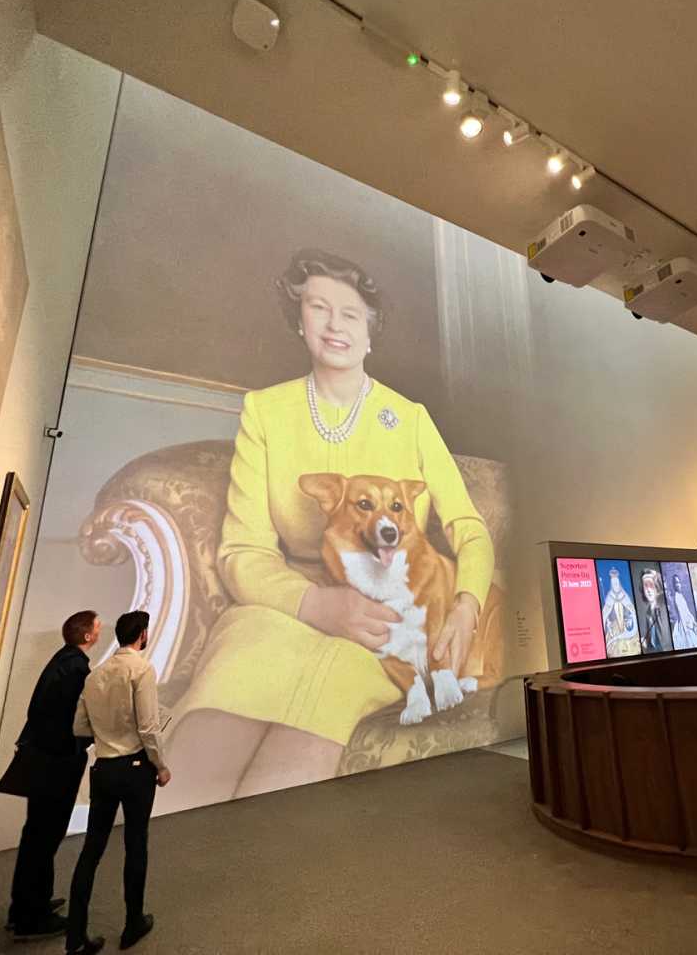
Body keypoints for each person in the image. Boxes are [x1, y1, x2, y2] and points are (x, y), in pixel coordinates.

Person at [166, 250, 495, 807]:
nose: (335, 324)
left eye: (351, 313)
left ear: (371, 332)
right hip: (281, 606)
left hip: (386, 614)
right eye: (319, 307)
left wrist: (466, 606)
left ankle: (253, 879)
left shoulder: (409, 417)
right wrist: (315, 606)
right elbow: (241, 552)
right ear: (300, 321)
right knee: (239, 672)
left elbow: (469, 527)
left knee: (331, 690)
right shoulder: (265, 411)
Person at [66, 611, 171, 955]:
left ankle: (76, 937)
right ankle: (133, 923)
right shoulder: (141, 670)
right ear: (142, 635)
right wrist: (161, 765)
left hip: (104, 768)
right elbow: (148, 728)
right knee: (135, 843)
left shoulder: (96, 674)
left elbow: (80, 727)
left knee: (91, 850)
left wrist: (108, 735)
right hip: (136, 768)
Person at [5, 610, 100, 941]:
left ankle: (26, 907)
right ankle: (32, 917)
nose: (100, 632)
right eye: (97, 628)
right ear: (87, 636)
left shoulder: (62, 660)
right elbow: (73, 720)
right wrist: (86, 743)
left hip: (43, 760)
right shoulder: (75, 667)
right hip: (53, 764)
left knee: (36, 837)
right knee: (44, 838)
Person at [600, 568, 642, 657]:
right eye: (614, 584)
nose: (616, 585)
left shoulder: (624, 595)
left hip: (626, 624)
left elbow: (631, 609)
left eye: (617, 583)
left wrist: (631, 616)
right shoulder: (609, 597)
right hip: (615, 627)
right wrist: (606, 621)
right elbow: (605, 613)